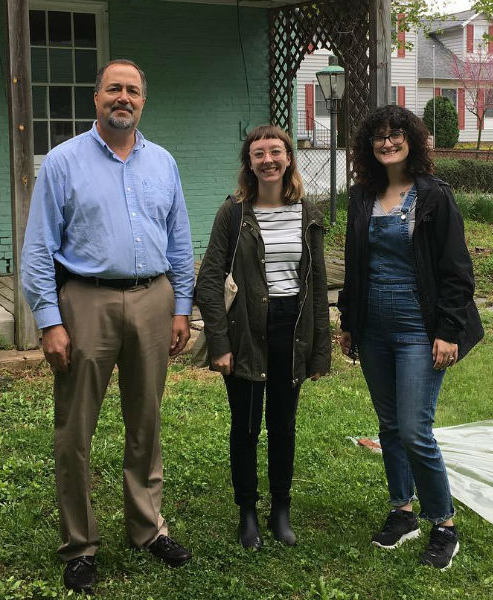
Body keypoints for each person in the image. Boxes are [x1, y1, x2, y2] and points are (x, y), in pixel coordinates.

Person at [20, 59, 195, 594]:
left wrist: (181, 306)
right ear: (96, 98)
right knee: (75, 430)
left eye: (133, 91)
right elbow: (38, 249)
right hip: (85, 303)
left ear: (143, 101)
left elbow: (180, 239)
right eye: (114, 89)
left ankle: (147, 528)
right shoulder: (63, 162)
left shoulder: (162, 162)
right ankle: (80, 545)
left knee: (146, 422)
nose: (124, 97)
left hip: (152, 299)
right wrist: (49, 321)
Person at [337, 105, 483, 570]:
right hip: (374, 325)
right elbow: (354, 264)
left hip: (420, 326)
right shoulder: (362, 196)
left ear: (413, 140)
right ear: (368, 145)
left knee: (416, 430)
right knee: (389, 426)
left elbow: (457, 271)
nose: (387, 142)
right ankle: (403, 512)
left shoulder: (434, 196)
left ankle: (444, 524)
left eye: (396, 134)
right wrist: (348, 322)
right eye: (379, 136)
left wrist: (448, 331)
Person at [195, 125, 331, 550]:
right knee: (247, 425)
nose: (268, 160)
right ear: (249, 163)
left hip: (292, 331)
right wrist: (220, 343)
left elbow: (318, 284)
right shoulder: (233, 213)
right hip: (246, 331)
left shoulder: (308, 212)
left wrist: (320, 350)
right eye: (259, 154)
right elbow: (210, 279)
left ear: (289, 158)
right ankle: (248, 513)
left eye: (276, 152)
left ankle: (281, 510)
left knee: (283, 425)